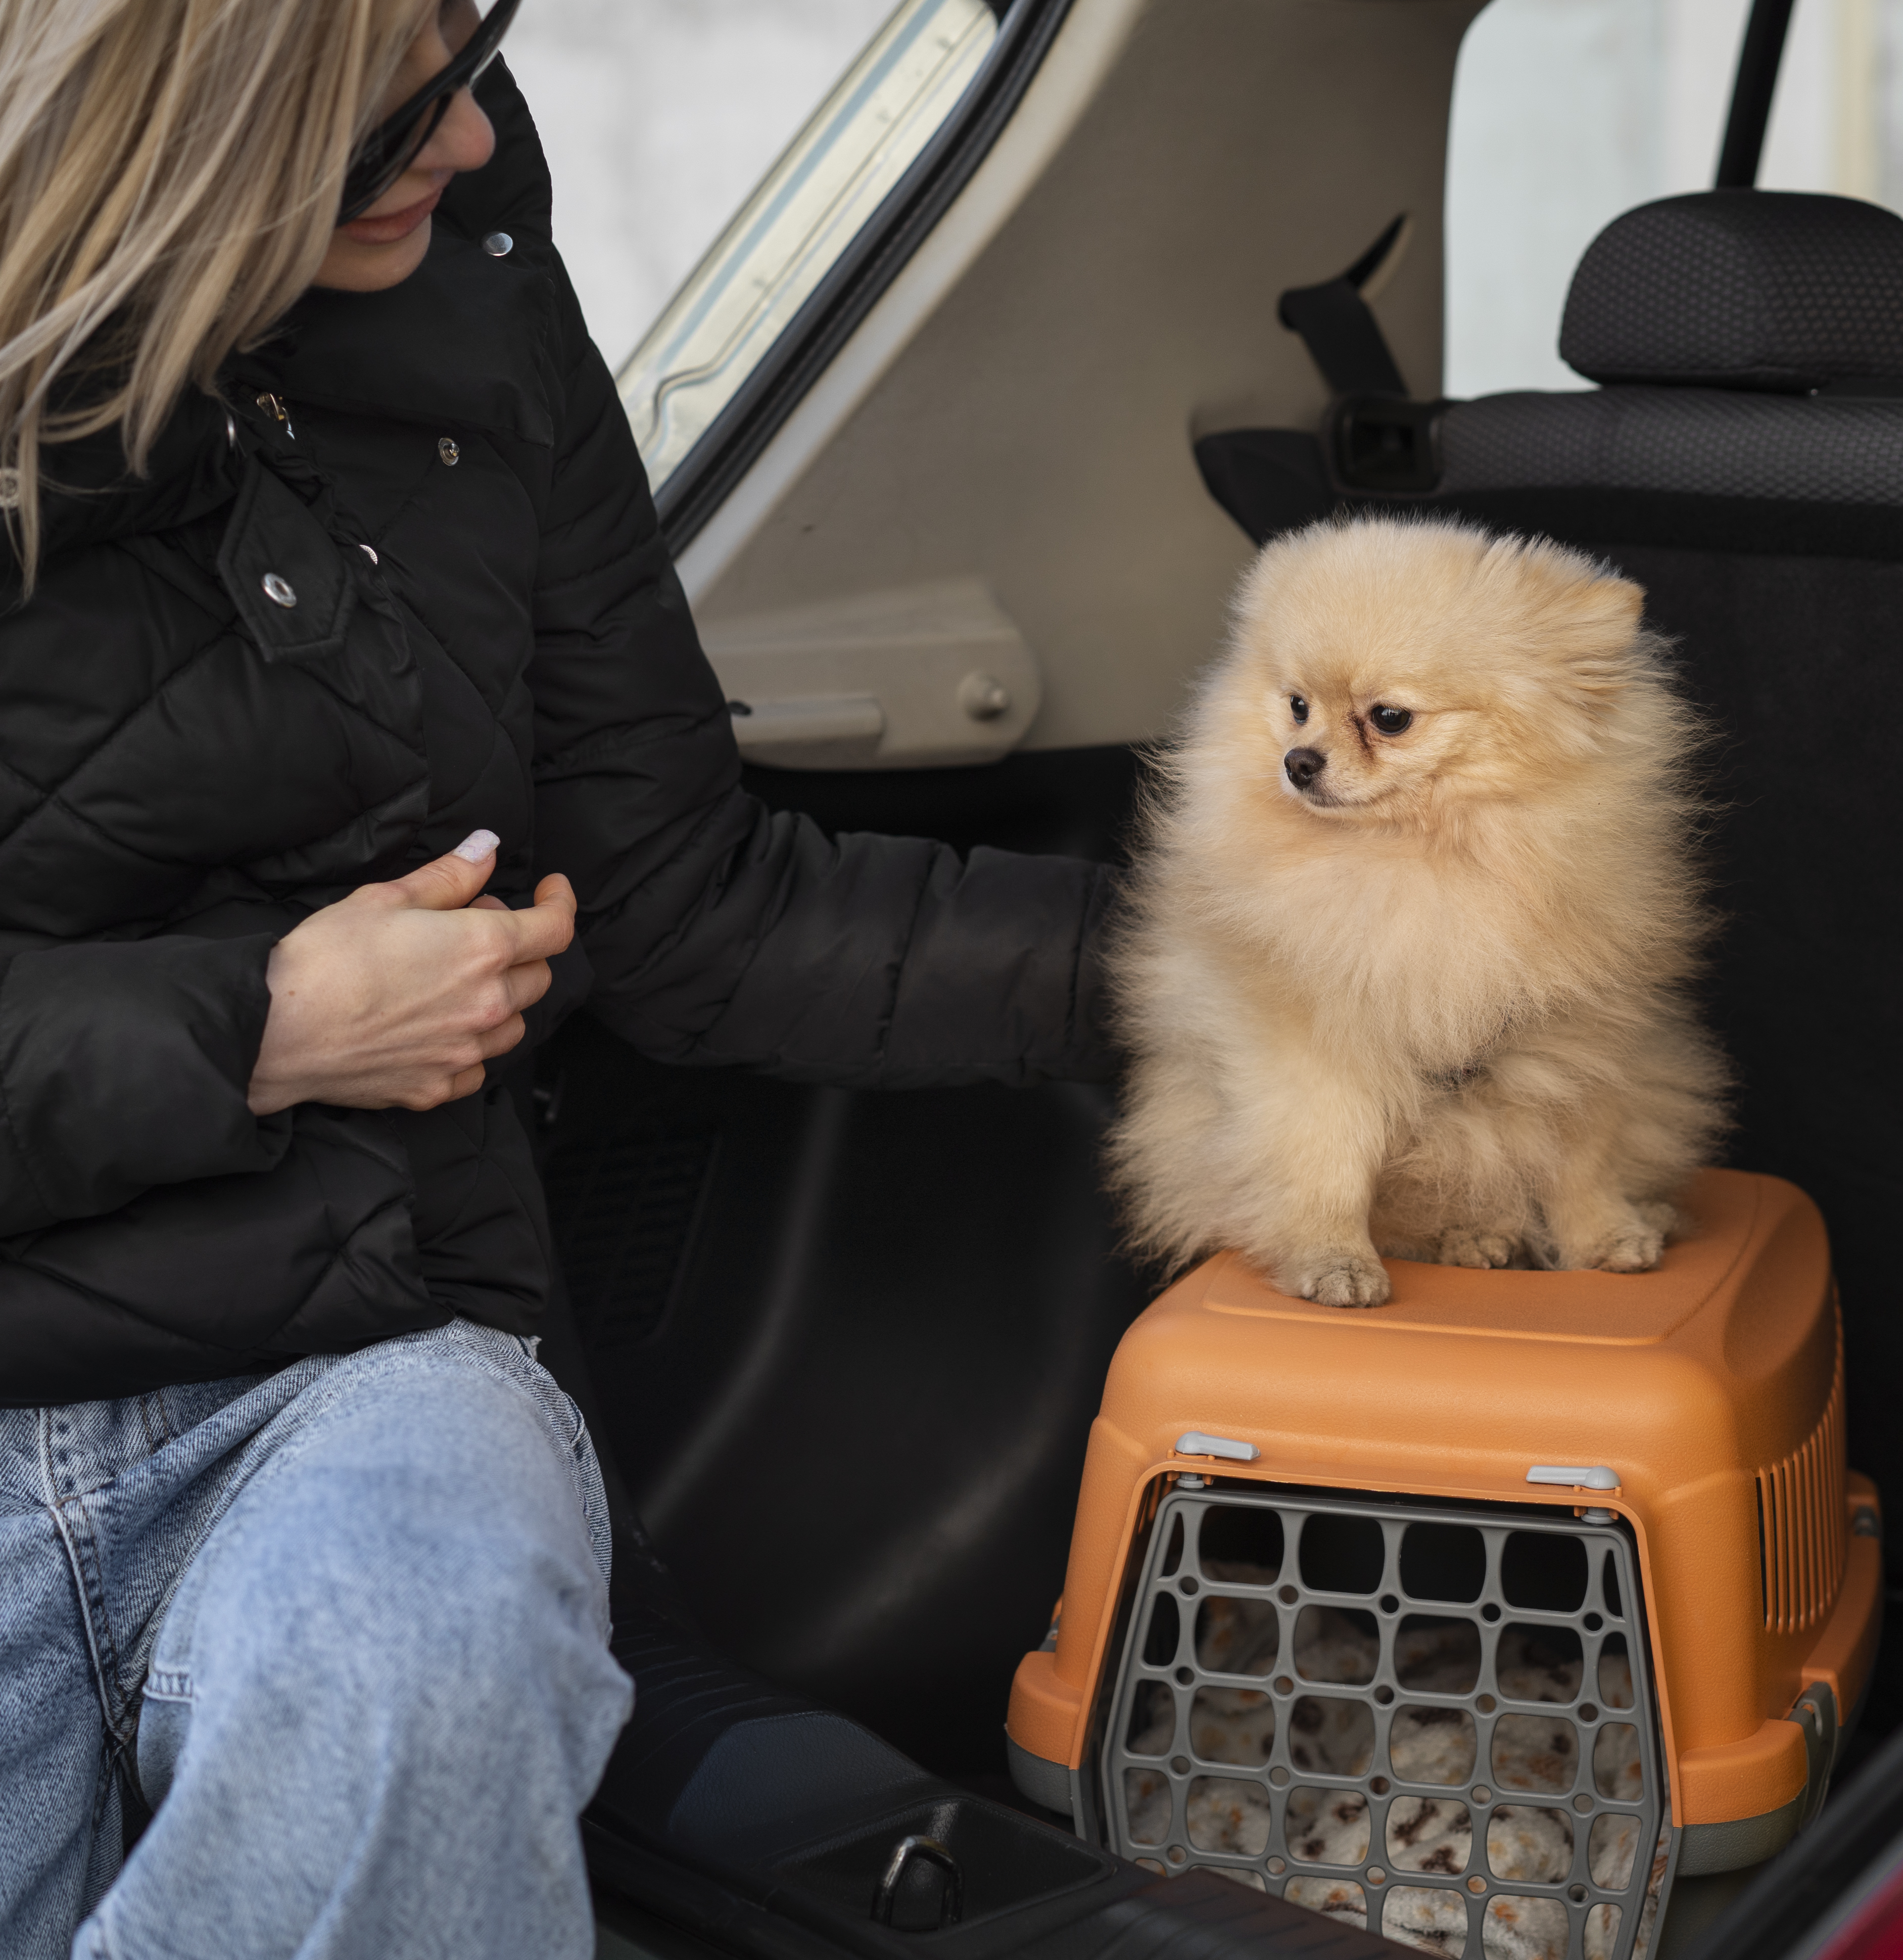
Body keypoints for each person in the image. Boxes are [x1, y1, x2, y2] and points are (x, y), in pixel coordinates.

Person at [0, 0, 1116, 1953]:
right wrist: (258, 1033)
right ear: (174, 122)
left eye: (472, 47)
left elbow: (687, 899)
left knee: (432, 1634)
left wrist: (1239, 968)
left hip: (354, 1366)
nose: (469, 144)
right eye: (390, 111)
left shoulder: (476, 289)